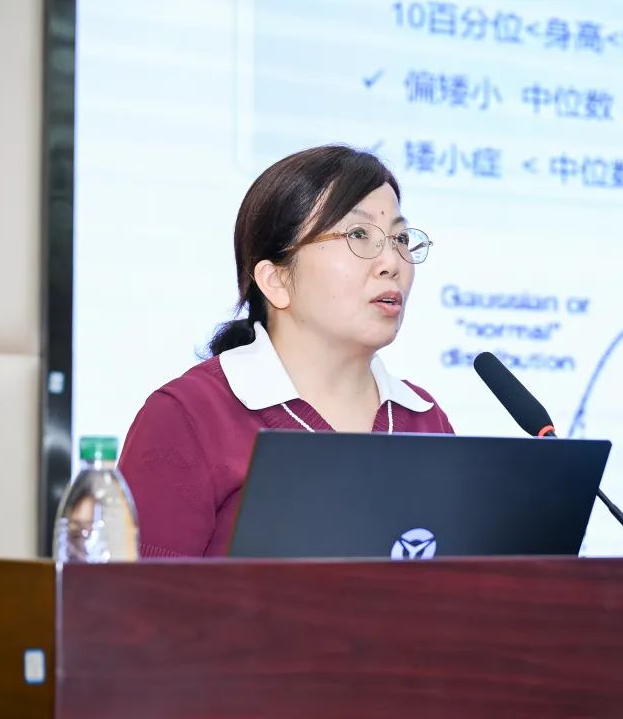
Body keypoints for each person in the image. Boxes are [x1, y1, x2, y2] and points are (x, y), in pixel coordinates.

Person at [117, 145, 454, 558]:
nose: (392, 262)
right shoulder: (188, 416)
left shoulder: (425, 421)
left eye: (400, 238)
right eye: (358, 234)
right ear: (275, 280)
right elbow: (135, 595)